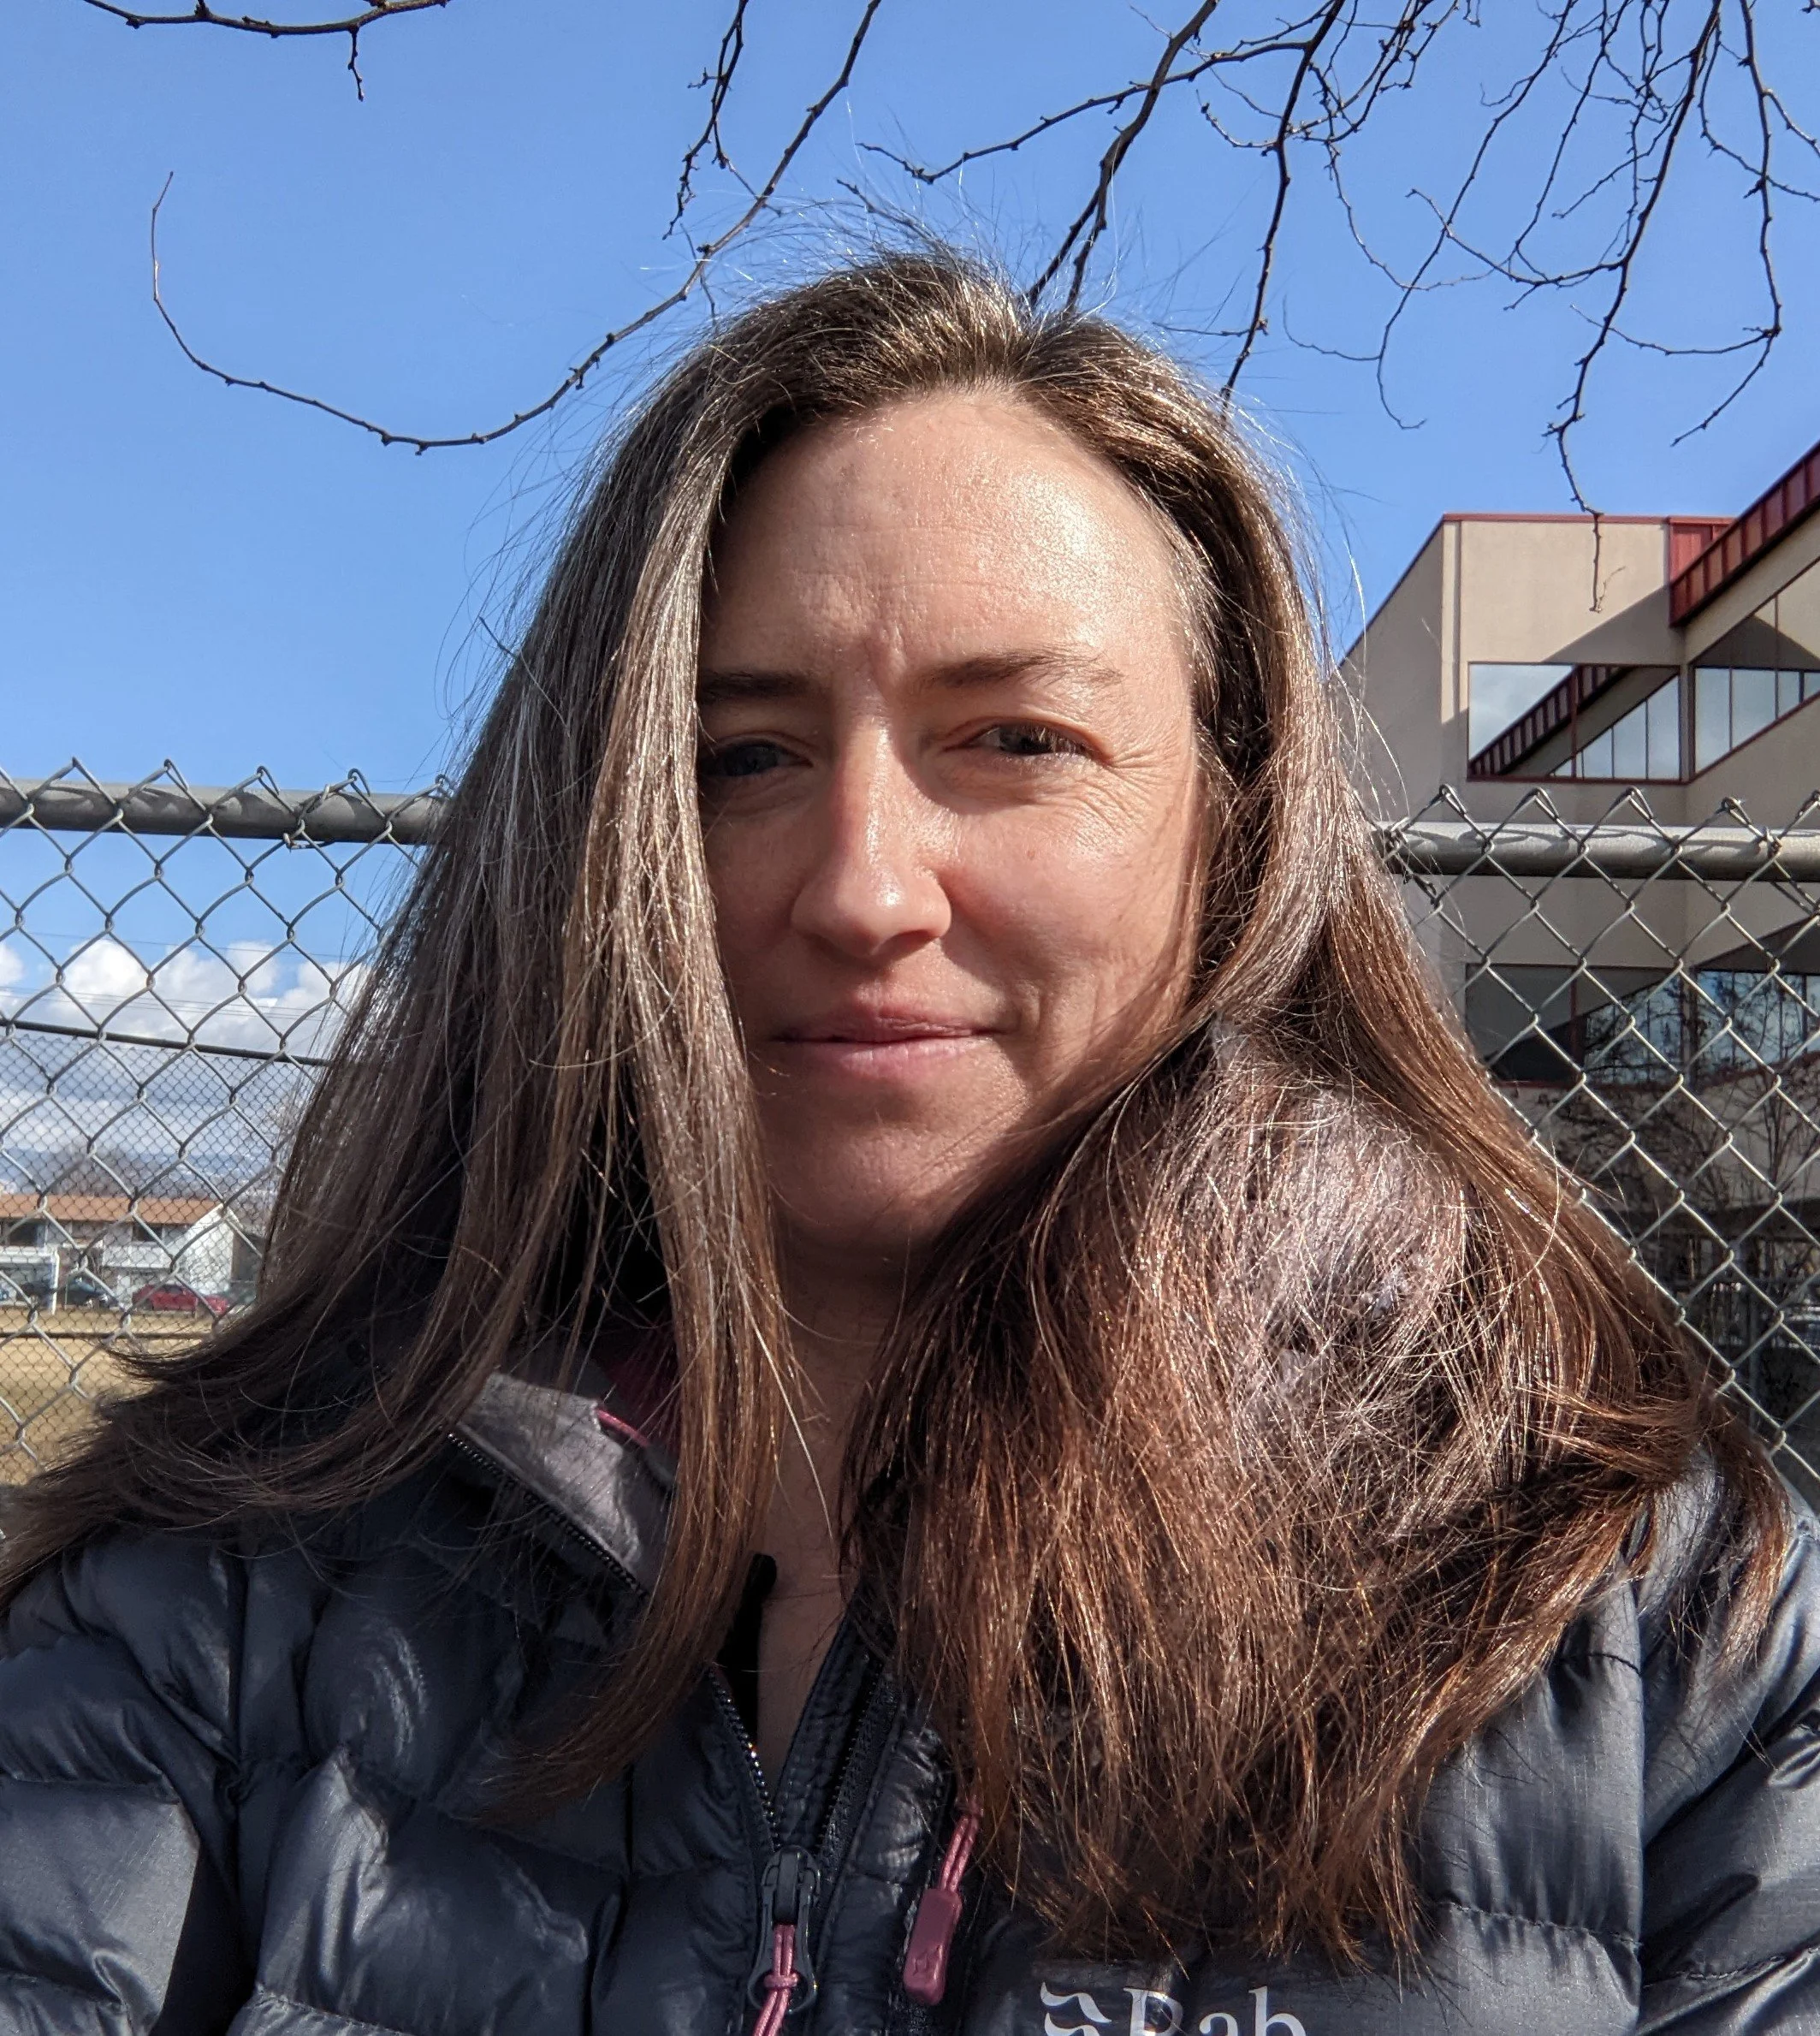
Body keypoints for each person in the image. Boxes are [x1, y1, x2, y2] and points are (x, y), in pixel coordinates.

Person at [0, 251, 1816, 2036]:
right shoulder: (218, 1599)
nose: (862, 888)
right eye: (740, 758)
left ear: (1233, 828)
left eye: (1015, 738)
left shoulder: (1649, 1630)